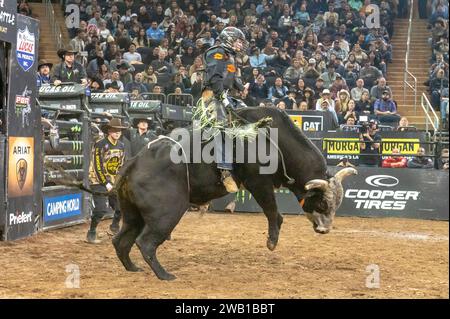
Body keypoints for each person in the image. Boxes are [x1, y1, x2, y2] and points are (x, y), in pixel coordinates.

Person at [201, 26, 249, 193]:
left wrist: (242, 87)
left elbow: (232, 78)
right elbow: (215, 77)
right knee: (222, 127)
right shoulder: (217, 52)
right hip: (212, 95)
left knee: (247, 115)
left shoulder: (230, 56)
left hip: (225, 95)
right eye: (238, 41)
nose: (241, 45)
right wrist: (221, 97)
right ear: (228, 38)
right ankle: (225, 169)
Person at [87, 118, 127, 243]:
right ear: (109, 131)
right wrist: (106, 183)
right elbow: (97, 166)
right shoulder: (100, 144)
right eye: (115, 130)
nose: (117, 133)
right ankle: (92, 231)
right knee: (100, 209)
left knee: (121, 206)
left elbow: (121, 164)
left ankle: (114, 227)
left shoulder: (121, 146)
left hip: (114, 180)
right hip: (98, 181)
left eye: (119, 130)